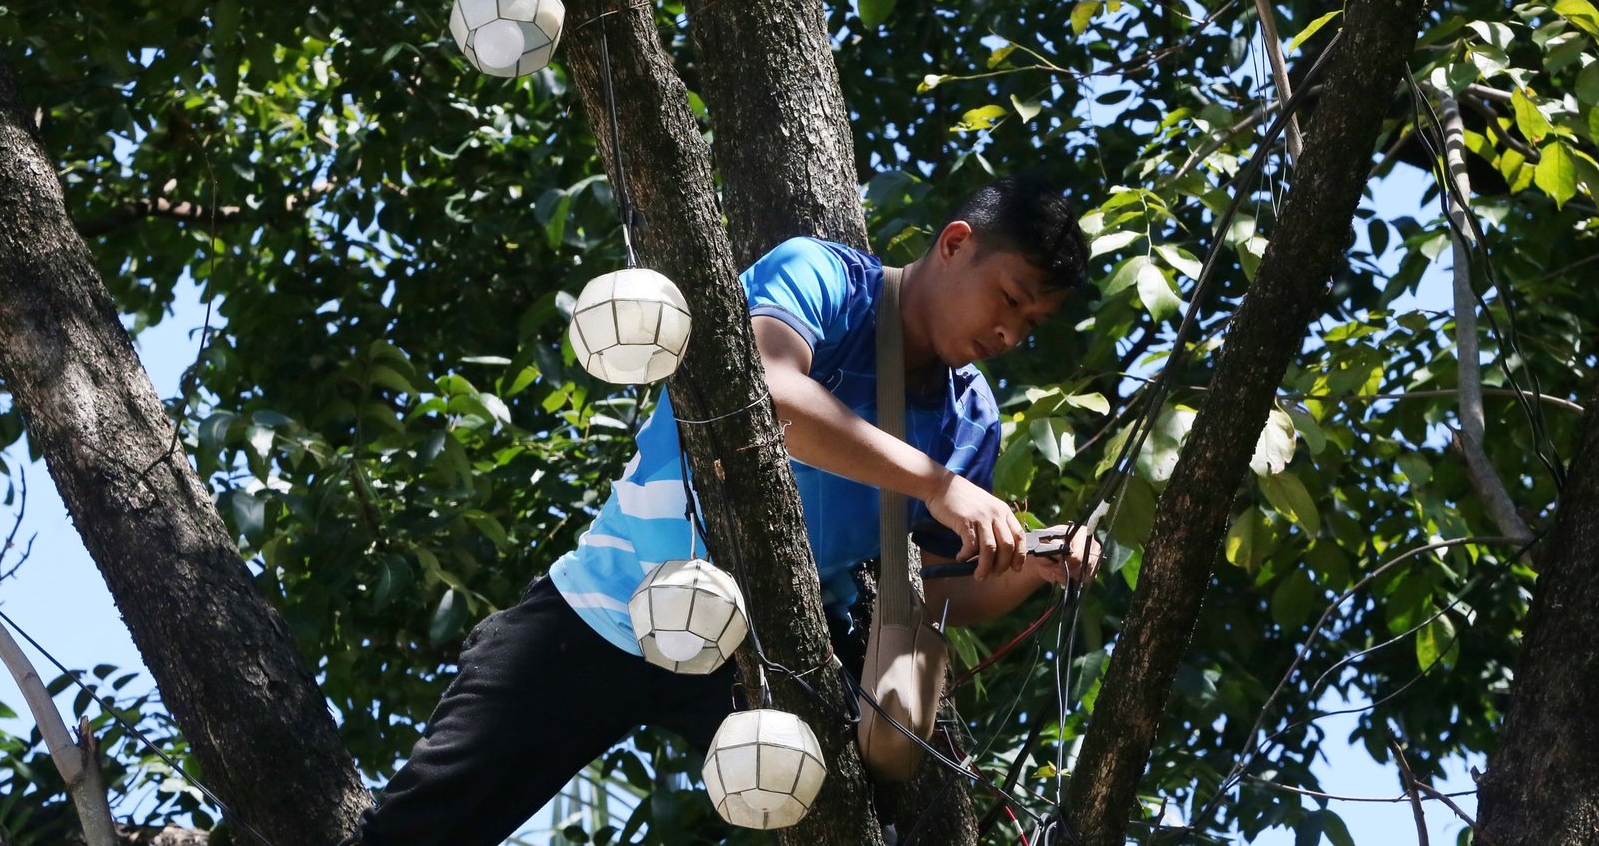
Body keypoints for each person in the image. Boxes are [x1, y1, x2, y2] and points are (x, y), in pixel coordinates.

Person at [342, 174, 1094, 846]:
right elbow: (764, 395)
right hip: (611, 606)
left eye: (1031, 325)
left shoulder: (969, 420)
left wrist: (1029, 570)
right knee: (423, 829)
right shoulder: (824, 276)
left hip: (770, 659)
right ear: (955, 244)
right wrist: (936, 483)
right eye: (1009, 299)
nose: (1008, 334)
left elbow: (934, 591)